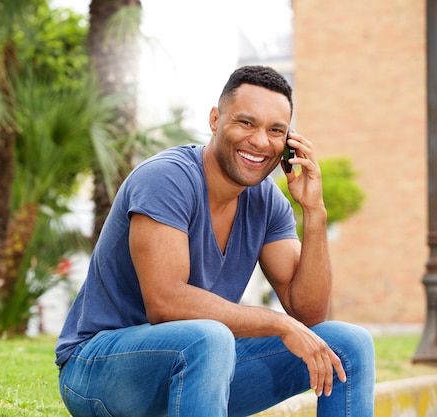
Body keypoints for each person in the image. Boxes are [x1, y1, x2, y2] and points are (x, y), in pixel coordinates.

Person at [55, 65, 375, 416]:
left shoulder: (267, 202)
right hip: (98, 369)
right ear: (214, 120)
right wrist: (277, 322)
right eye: (246, 123)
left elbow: (310, 313)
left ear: (288, 143)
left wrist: (315, 212)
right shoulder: (166, 179)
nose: (260, 141)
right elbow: (165, 302)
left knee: (348, 344)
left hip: (202, 367)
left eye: (276, 130)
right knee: (209, 337)